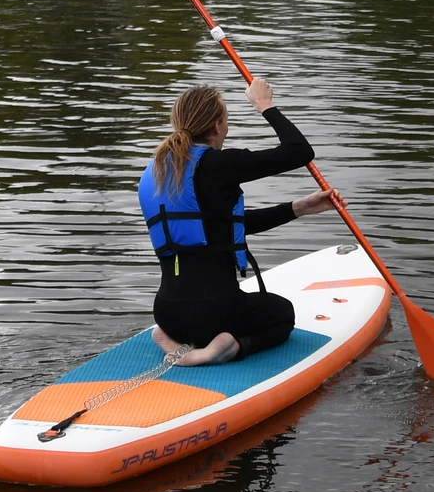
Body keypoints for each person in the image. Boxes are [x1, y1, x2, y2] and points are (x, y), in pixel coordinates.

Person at [138, 78, 343, 366]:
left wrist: (298, 208)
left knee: (205, 309)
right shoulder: (220, 164)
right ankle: (224, 349)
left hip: (167, 312)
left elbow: (224, 226)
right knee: (282, 313)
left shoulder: (158, 171)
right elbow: (299, 150)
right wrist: (265, 105)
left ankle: (171, 339)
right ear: (217, 126)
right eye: (227, 120)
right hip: (215, 315)